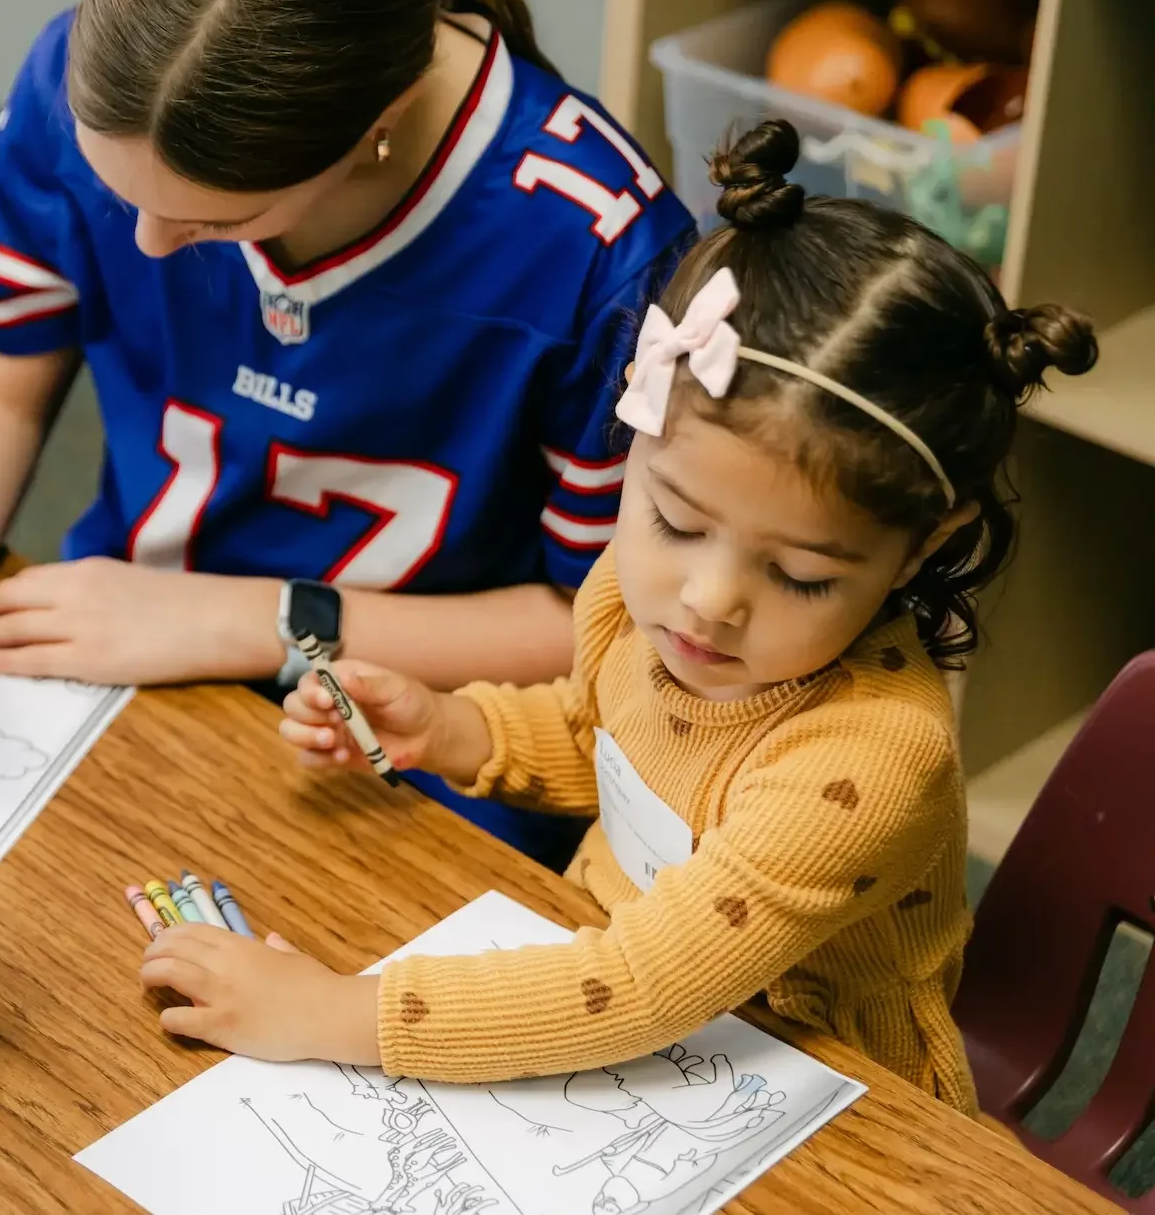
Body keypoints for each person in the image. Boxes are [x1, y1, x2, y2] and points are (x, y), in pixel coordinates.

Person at [137, 120, 1099, 1114]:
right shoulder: (636, 595)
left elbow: (639, 987)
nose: (706, 600)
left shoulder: (868, 757)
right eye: (672, 518)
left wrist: (334, 1015)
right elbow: (605, 733)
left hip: (818, 1097)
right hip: (616, 995)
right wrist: (452, 728)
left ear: (925, 546)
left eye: (801, 576)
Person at [0, 0, 695, 864]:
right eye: (122, 197)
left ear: (379, 123)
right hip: (114, 643)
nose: (148, 244)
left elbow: (602, 629)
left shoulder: (599, 256)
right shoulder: (72, 80)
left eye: (214, 222)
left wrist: (260, 621)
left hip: (427, 736)